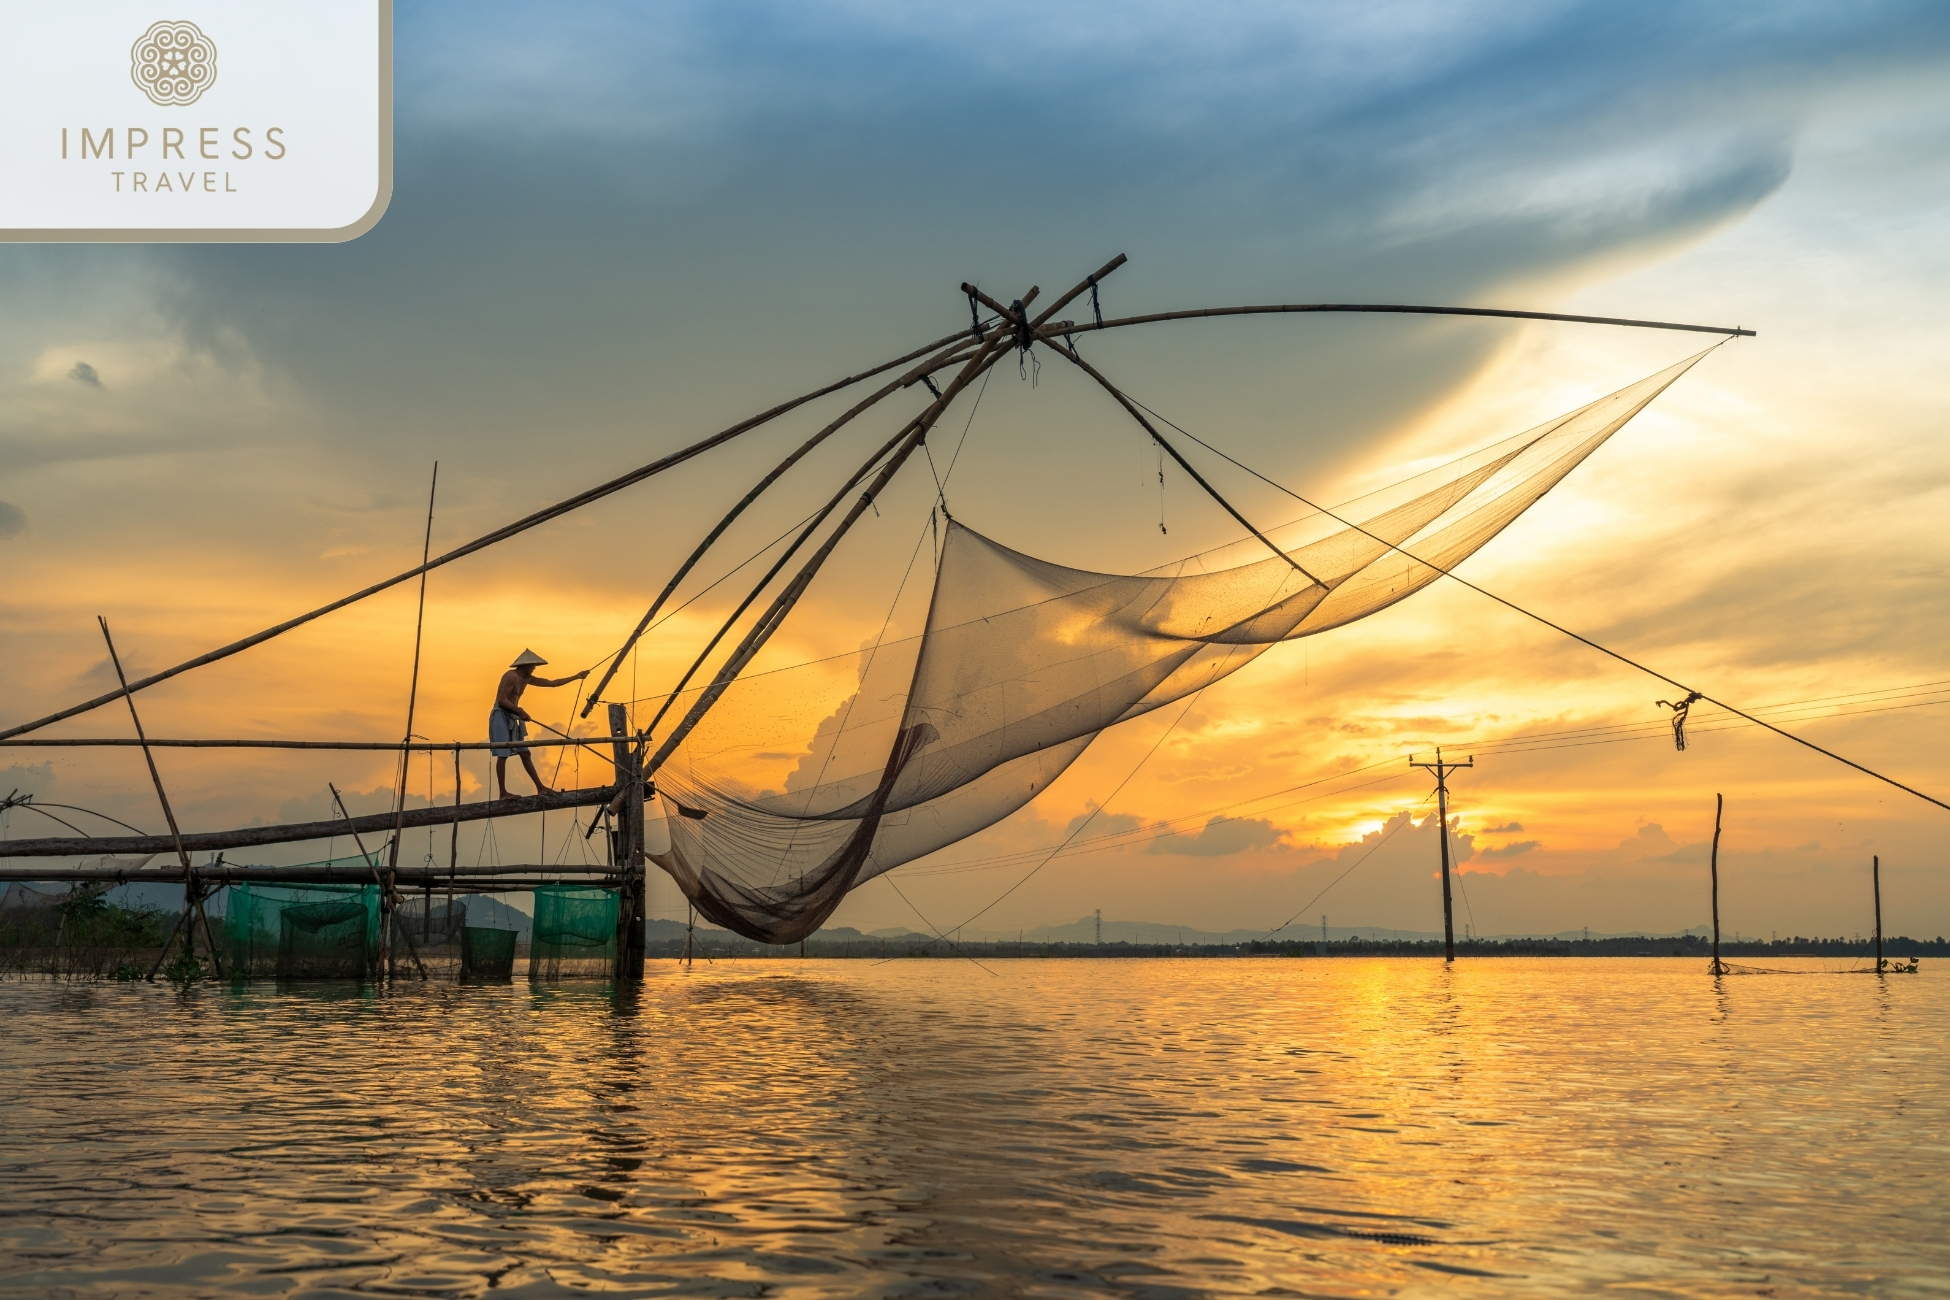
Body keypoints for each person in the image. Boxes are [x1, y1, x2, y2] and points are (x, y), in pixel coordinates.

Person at [491, 649, 588, 797]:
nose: (534, 669)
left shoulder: (527, 679)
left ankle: (540, 787)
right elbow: (501, 700)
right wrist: (520, 710)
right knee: (502, 754)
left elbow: (552, 683)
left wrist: (576, 676)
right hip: (500, 715)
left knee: (525, 752)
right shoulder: (511, 676)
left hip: (513, 716)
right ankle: (503, 793)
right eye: (533, 666)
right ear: (525, 665)